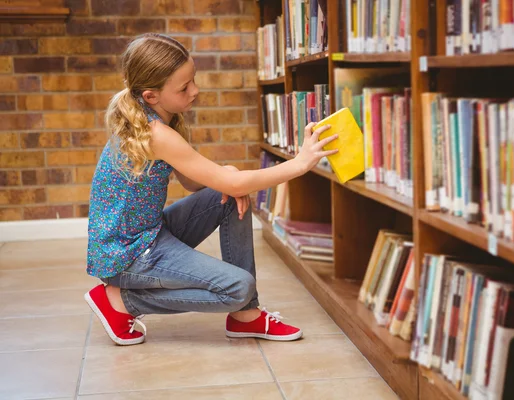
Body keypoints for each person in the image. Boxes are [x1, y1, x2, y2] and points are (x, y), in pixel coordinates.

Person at [84, 33, 338, 346]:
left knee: (230, 197)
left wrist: (226, 178)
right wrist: (300, 164)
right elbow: (227, 183)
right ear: (151, 96)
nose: (196, 90)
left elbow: (192, 182)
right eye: (184, 87)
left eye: (193, 80)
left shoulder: (157, 117)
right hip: (129, 256)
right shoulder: (155, 133)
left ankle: (246, 317)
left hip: (145, 235)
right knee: (237, 287)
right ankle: (121, 302)